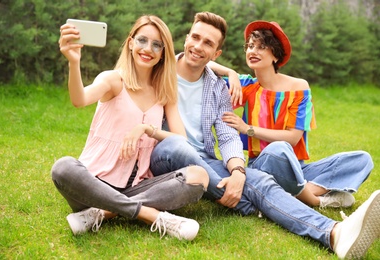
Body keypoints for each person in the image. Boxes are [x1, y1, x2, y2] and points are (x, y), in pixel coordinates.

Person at [149, 12, 380, 258]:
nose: (198, 46)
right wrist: (231, 72)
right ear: (185, 38)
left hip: (209, 160)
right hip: (167, 153)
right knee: (182, 147)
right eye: (195, 37)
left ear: (216, 53)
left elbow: (227, 136)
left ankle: (334, 233)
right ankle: (268, 202)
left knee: (258, 180)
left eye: (208, 43)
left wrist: (238, 171)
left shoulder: (217, 87)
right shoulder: (159, 69)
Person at [51, 15, 209, 241]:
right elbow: (79, 99)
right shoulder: (113, 80)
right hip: (94, 185)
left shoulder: (164, 92)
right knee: (63, 167)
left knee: (198, 176)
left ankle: (103, 213)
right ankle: (152, 215)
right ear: (130, 43)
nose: (148, 49)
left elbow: (180, 140)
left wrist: (146, 128)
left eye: (157, 45)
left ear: (163, 52)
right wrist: (74, 61)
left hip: (138, 187)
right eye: (142, 40)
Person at [208, 20, 374, 208]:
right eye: (250, 46)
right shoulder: (246, 85)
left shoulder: (299, 88)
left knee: (362, 159)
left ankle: (291, 194)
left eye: (262, 47)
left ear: (276, 56)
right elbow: (204, 64)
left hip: (298, 168)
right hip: (263, 166)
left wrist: (248, 129)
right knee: (278, 149)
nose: (253, 51)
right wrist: (230, 72)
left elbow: (293, 139)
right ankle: (315, 199)